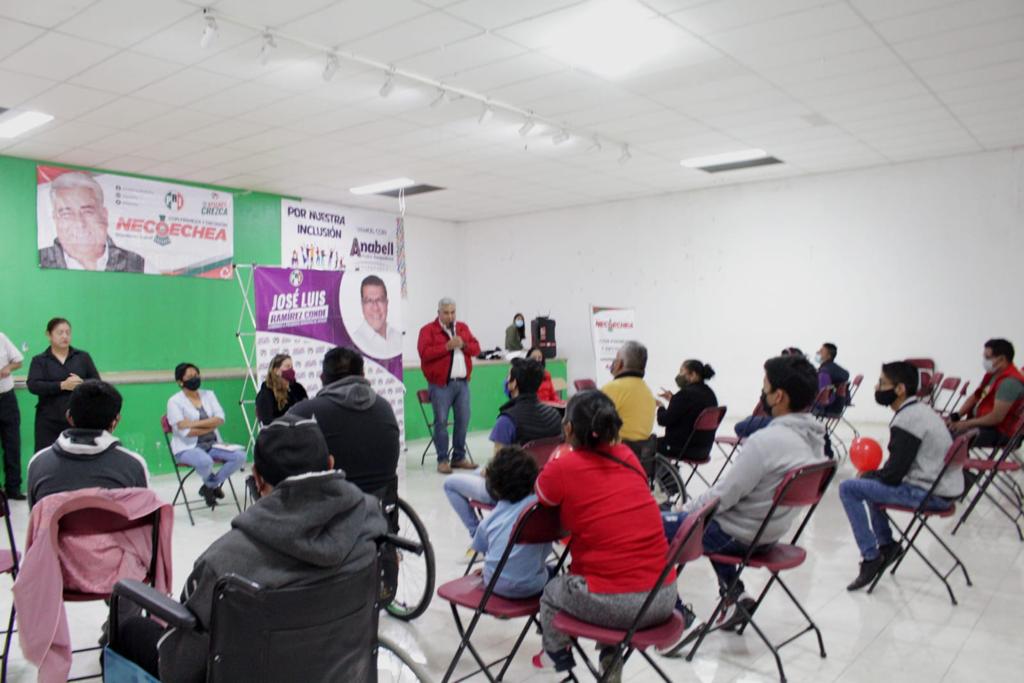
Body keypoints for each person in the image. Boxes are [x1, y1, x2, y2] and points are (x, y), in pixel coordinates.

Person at [114, 415, 387, 682]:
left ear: (257, 478)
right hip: (341, 667)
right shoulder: (370, 519)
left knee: (131, 630)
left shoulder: (224, 562)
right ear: (330, 465)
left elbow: (181, 666)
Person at [659, 354, 827, 655]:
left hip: (739, 536)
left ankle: (679, 619)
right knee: (710, 519)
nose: (762, 392)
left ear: (779, 396)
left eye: (765, 386)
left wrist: (683, 510)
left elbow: (722, 495)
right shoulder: (816, 440)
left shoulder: (766, 442)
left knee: (653, 528)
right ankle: (735, 595)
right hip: (769, 532)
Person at [533, 391, 676, 680]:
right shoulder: (628, 457)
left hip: (619, 605)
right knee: (606, 580)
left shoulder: (562, 466)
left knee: (552, 591)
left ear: (568, 428)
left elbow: (543, 498)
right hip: (664, 597)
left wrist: (560, 455)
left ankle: (556, 653)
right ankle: (610, 660)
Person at [840, 361, 964, 591]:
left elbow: (893, 475)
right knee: (869, 483)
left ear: (900, 389)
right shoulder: (920, 410)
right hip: (943, 488)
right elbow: (895, 470)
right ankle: (886, 545)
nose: (877, 387)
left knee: (848, 488)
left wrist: (869, 474)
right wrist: (872, 476)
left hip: (930, 494)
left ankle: (871, 557)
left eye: (881, 383)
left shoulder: (908, 419)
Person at [444, 358, 562, 545]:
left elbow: (498, 471)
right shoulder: (554, 415)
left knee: (450, 483)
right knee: (477, 472)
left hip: (508, 491)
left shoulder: (507, 420)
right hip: (541, 487)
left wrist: (488, 471)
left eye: (508, 377)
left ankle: (479, 536)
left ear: (513, 384)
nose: (506, 380)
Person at [288, 347, 399, 498]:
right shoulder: (384, 408)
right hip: (380, 508)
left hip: (327, 509)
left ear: (322, 378)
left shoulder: (302, 413)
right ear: (363, 375)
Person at [26, 380, 148, 508]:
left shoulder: (38, 463)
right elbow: (144, 516)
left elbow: (35, 516)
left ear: (69, 417)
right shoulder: (134, 465)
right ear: (116, 421)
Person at [472, 446, 551, 599]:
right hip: (533, 587)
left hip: (493, 583)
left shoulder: (489, 520)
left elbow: (482, 548)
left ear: (494, 487)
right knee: (553, 570)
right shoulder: (540, 509)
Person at [166, 363, 246, 508]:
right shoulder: (174, 401)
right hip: (187, 448)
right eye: (190, 376)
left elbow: (220, 418)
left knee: (240, 456)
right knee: (205, 462)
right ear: (180, 381)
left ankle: (209, 485)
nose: (195, 378)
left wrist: (192, 423)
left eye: (196, 375)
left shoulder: (209, 394)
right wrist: (210, 424)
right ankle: (212, 486)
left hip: (213, 444)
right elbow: (185, 431)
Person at [417, 297, 481, 474]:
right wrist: (447, 347)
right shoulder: (428, 330)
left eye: (453, 312)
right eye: (446, 313)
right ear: (438, 313)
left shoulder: (462, 328)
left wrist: (464, 344)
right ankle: (443, 460)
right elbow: (424, 353)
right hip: (440, 385)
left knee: (463, 419)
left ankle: (459, 457)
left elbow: (476, 348)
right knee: (441, 422)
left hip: (462, 383)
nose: (450, 316)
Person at [38, 171, 145, 272]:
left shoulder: (138, 265)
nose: (80, 223)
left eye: (87, 212)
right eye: (67, 214)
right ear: (55, 219)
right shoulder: (37, 262)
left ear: (104, 215)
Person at [26, 317, 101, 453]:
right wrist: (62, 385)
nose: (65, 336)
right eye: (60, 333)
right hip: (48, 420)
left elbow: (98, 383)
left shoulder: (82, 357)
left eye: (68, 332)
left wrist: (82, 383)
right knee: (47, 456)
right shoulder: (40, 360)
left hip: (79, 419)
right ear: (49, 335)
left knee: (79, 457)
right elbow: (33, 385)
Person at [949, 338, 1024, 448]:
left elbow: (996, 417)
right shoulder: (992, 375)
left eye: (988, 358)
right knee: (943, 431)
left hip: (999, 431)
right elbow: (975, 397)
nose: (984, 361)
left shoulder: (1010, 382)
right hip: (982, 424)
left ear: (1002, 359)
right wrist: (956, 416)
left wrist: (966, 424)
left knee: (951, 438)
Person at [733, 346, 805, 438]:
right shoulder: (806, 380)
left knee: (740, 427)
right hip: (795, 420)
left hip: (780, 421)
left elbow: (767, 406)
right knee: (749, 420)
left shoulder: (780, 382)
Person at [656, 359, 718, 459]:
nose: (679, 375)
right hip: (703, 450)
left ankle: (661, 469)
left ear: (693, 374)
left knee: (645, 445)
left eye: (681, 371)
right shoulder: (710, 394)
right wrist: (673, 399)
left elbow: (663, 420)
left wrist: (661, 406)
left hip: (680, 448)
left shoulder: (684, 394)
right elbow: (692, 408)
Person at [600, 341, 656, 443]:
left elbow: (593, 424)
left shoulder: (612, 388)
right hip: (640, 452)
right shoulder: (648, 392)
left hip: (613, 450)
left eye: (616, 359)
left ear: (620, 364)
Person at [350, 275, 403, 359]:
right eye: (369, 301)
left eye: (380, 300)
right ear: (362, 305)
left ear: (387, 303)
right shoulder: (354, 343)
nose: (375, 308)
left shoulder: (399, 339)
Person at [0, 331, 24, 499]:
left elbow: (18, 361)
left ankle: (13, 488)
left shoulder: (1, 337)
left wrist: (8, 368)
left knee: (12, 444)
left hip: (6, 398)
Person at [254, 354, 308, 426]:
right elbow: (266, 421)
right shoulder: (266, 393)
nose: (291, 370)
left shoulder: (298, 388)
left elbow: (306, 409)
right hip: (280, 431)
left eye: (292, 367)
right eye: (287, 366)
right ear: (276, 371)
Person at [814, 342, 850, 416]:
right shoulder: (843, 372)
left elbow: (821, 397)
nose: (817, 352)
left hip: (825, 408)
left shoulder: (824, 373)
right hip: (839, 407)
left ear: (828, 356)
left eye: (821, 351)